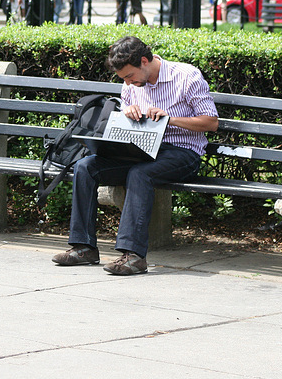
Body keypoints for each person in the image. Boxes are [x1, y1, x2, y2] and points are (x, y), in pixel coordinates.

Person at [51, 36, 219, 276]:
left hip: (182, 152)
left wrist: (169, 119)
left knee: (140, 174)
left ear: (144, 61)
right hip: (141, 149)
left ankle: (134, 256)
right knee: (85, 166)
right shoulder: (131, 84)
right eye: (124, 80)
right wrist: (126, 112)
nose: (128, 83)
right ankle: (83, 247)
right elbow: (128, 109)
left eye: (130, 76)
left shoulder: (186, 76)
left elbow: (211, 122)